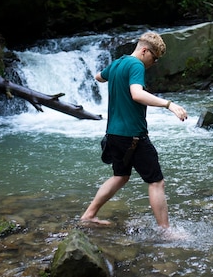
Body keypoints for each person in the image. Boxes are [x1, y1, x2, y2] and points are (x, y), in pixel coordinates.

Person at [80, 31, 188, 229]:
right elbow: (137, 94)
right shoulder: (136, 64)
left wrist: (111, 76)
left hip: (113, 134)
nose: (154, 63)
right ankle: (166, 231)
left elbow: (98, 77)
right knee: (156, 182)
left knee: (120, 176)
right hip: (133, 136)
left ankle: (89, 215)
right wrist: (169, 105)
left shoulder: (118, 63)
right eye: (154, 58)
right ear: (145, 50)